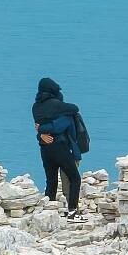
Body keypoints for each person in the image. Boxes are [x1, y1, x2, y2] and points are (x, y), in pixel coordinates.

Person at [32, 77, 83, 221]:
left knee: (51, 180)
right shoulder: (60, 107)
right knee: (75, 179)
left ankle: (48, 213)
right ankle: (72, 213)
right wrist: (42, 130)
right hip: (60, 148)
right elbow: (73, 110)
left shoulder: (35, 107)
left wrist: (40, 132)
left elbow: (39, 126)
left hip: (45, 148)